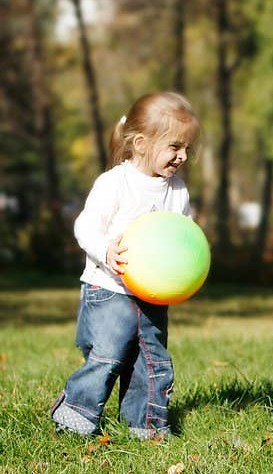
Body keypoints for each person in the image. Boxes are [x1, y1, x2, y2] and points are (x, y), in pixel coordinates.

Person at [50, 92, 201, 440]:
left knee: (151, 361)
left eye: (187, 149)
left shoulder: (177, 191)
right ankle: (75, 413)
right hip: (110, 289)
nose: (182, 156)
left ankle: (145, 425)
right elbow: (85, 226)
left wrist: (185, 268)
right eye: (175, 146)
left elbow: (182, 236)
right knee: (108, 356)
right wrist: (106, 251)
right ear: (141, 143)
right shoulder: (114, 184)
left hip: (152, 294)